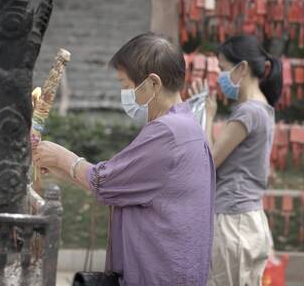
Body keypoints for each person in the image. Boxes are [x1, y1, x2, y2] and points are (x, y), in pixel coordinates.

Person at [33, 33, 215, 286]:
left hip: (160, 273)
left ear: (153, 83)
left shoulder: (167, 132)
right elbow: (124, 183)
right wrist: (57, 167)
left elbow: (105, 181)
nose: (125, 93)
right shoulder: (185, 125)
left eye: (127, 85)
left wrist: (62, 157)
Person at [191, 35, 282, 286]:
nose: (221, 76)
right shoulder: (263, 108)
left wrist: (208, 117)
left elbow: (209, 161)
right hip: (249, 219)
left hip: (233, 222)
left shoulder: (248, 111)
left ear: (241, 68)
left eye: (222, 68)